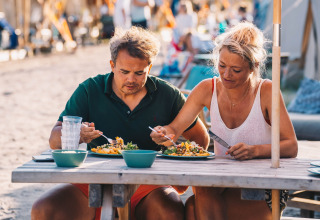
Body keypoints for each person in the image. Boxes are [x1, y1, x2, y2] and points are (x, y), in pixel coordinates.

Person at [31, 26, 209, 220]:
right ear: (112, 65)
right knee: (44, 210)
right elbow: (54, 141)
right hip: (93, 179)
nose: (131, 79)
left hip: (149, 184)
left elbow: (200, 138)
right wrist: (78, 133)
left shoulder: (167, 94)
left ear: (149, 67)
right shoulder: (90, 90)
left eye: (139, 73)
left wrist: (176, 166)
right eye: (124, 71)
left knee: (171, 213)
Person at [150, 22, 298, 220]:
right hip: (220, 184)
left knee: (194, 208)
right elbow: (175, 129)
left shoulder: (267, 91)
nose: (226, 75)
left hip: (263, 187)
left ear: (253, 67)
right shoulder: (207, 89)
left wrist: (255, 151)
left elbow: (291, 146)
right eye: (222, 66)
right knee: (199, 196)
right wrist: (163, 133)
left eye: (236, 70)